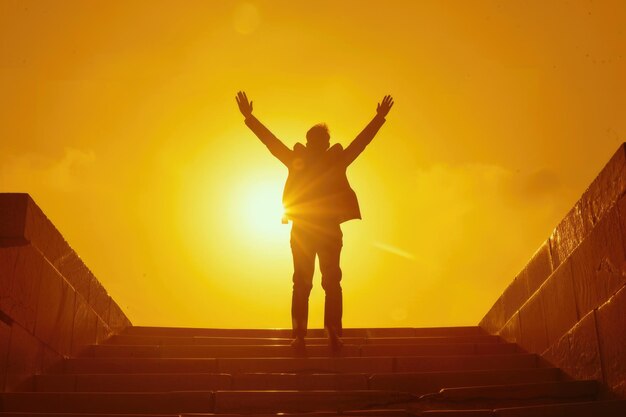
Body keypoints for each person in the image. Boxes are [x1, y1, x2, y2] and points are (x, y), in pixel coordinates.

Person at [236, 91, 394, 350]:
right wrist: (250, 119)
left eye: (319, 140)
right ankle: (306, 334)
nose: (316, 144)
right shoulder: (307, 160)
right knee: (313, 281)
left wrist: (379, 118)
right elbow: (272, 142)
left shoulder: (321, 160)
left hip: (316, 229)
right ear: (310, 142)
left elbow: (360, 143)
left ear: (321, 142)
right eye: (314, 140)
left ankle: (323, 333)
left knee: (317, 282)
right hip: (313, 229)